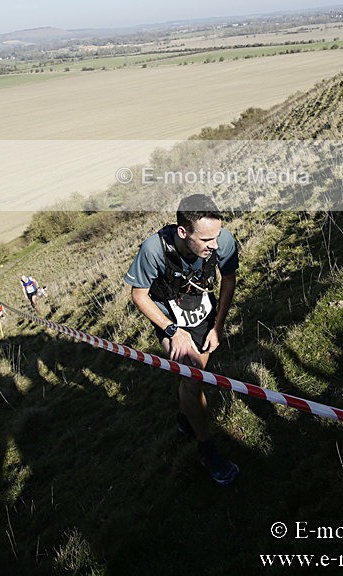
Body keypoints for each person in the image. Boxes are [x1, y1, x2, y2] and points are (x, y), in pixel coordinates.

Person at [125, 193, 240, 485]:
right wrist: (172, 331)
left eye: (217, 236)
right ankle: (206, 448)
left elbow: (228, 279)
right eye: (206, 240)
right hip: (171, 321)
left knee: (193, 381)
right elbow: (139, 295)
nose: (215, 245)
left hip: (204, 315)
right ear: (183, 232)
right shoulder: (154, 249)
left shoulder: (222, 240)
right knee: (193, 377)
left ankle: (185, 417)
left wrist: (218, 327)